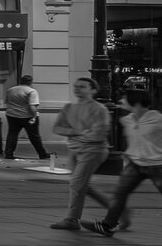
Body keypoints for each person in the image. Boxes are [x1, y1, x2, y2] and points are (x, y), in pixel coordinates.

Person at [82, 87, 162, 236]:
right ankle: (107, 225)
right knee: (119, 194)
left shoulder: (157, 119)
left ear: (136, 102)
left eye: (124, 98)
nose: (121, 101)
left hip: (157, 165)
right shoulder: (126, 120)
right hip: (135, 165)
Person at [50, 76, 116, 231]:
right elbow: (57, 128)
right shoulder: (68, 108)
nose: (77, 89)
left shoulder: (99, 109)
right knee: (82, 186)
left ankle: (72, 219)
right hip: (74, 150)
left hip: (93, 150)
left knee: (77, 183)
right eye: (76, 86)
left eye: (82, 86)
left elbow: (98, 134)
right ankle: (117, 209)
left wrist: (74, 134)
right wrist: (79, 132)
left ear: (93, 90)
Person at [3, 73, 50, 161]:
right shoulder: (31, 91)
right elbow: (32, 106)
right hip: (26, 116)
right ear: (30, 82)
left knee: (12, 135)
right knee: (34, 136)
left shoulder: (10, 90)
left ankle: (8, 153)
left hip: (12, 115)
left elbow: (7, 102)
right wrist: (34, 117)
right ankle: (42, 154)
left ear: (20, 81)